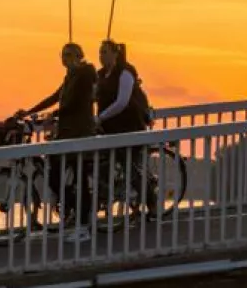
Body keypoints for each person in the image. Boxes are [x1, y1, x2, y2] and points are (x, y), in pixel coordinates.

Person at [17, 42, 97, 242]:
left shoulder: (85, 75)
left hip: (80, 133)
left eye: (70, 55)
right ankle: (74, 209)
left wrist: (51, 115)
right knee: (54, 173)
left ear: (79, 56)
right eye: (63, 55)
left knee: (79, 178)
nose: (66, 58)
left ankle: (84, 223)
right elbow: (55, 97)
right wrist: (30, 111)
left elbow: (73, 103)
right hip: (67, 133)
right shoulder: (69, 76)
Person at [95, 39, 158, 218]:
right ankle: (107, 202)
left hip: (129, 126)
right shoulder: (101, 75)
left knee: (130, 166)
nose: (101, 56)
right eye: (100, 52)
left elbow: (122, 102)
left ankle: (151, 203)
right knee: (103, 164)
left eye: (105, 52)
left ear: (115, 53)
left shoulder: (125, 72)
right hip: (110, 128)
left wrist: (100, 117)